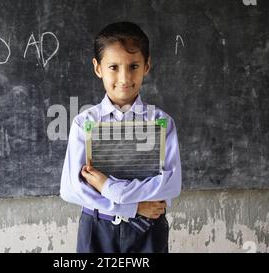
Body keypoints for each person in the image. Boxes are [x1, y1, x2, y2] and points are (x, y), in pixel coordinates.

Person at [60, 21, 182, 253]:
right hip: (97, 228)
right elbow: (71, 189)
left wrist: (109, 188)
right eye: (114, 67)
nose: (124, 78)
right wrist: (133, 207)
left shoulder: (161, 122)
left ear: (147, 66)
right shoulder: (85, 123)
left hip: (148, 228)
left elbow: (170, 185)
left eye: (133, 66)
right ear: (98, 68)